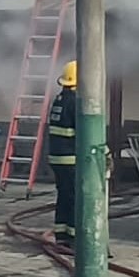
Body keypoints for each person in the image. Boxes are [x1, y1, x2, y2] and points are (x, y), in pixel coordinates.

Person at [47, 61, 78, 245]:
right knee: (75, 197)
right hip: (70, 158)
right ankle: (74, 238)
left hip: (56, 157)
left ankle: (61, 235)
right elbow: (84, 133)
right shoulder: (75, 102)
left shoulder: (59, 99)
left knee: (63, 196)